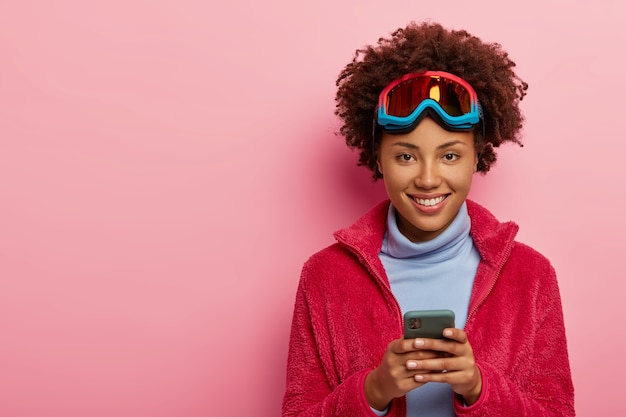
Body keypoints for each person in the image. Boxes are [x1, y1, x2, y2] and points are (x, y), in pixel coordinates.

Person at [282, 21, 575, 417]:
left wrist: (478, 387)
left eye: (450, 155)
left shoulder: (531, 276)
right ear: (377, 157)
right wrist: (373, 391)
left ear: (477, 155)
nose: (427, 178)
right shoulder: (324, 276)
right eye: (405, 156)